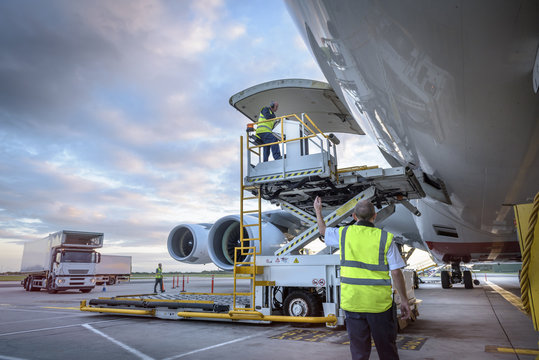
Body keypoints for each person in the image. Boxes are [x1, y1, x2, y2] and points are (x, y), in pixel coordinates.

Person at [313, 196, 411, 360]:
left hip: (353, 303)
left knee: (359, 352)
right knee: (387, 350)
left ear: (354, 216)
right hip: (379, 305)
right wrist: (405, 300)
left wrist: (318, 211)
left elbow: (323, 231)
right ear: (375, 216)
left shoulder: (344, 234)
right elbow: (395, 272)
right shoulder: (385, 238)